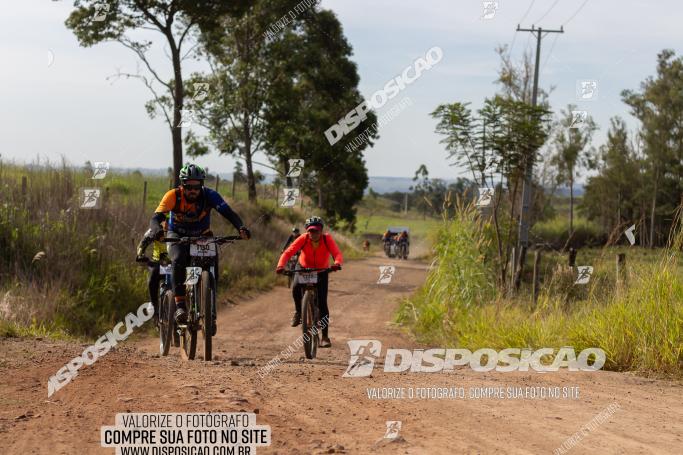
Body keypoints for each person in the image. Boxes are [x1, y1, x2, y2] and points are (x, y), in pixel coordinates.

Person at [147, 163, 251, 332]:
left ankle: (210, 309)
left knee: (212, 261)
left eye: (197, 186)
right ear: (182, 185)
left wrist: (241, 227)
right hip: (177, 234)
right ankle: (180, 305)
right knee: (178, 259)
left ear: (201, 185)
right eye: (189, 186)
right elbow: (155, 218)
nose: (193, 190)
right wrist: (157, 230)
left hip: (202, 234)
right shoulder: (173, 196)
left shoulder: (210, 195)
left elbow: (228, 213)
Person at [276, 216, 342, 348]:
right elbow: (288, 253)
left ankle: (325, 337)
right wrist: (280, 265)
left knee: (322, 303)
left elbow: (337, 253)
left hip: (321, 270)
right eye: (311, 231)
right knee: (295, 288)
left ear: (321, 231)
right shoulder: (303, 238)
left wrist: (336, 263)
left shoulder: (327, 239)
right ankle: (298, 312)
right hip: (303, 267)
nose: (314, 234)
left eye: (316, 231)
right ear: (307, 231)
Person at [135, 218, 169, 322]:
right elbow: (143, 243)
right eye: (165, 222)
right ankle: (155, 307)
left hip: (177, 263)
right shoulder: (155, 230)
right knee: (153, 275)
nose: (166, 224)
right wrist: (140, 254)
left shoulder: (180, 229)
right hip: (160, 263)